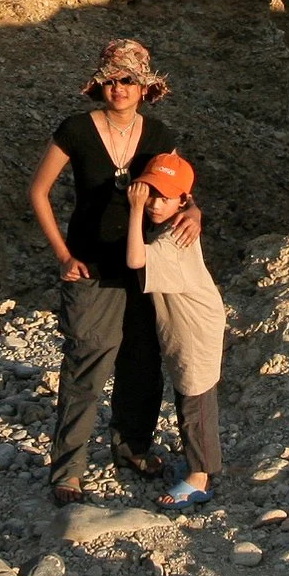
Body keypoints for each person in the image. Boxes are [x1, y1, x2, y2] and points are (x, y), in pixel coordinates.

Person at [27, 39, 202, 505]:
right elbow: (39, 192)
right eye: (110, 79)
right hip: (90, 266)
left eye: (128, 80)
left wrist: (196, 213)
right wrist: (63, 255)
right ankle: (68, 472)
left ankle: (133, 451)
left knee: (142, 363)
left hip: (146, 264)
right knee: (88, 361)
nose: (118, 88)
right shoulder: (76, 130)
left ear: (145, 87)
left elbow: (179, 188)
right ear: (99, 84)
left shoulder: (160, 136)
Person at [125, 152, 224, 510]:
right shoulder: (180, 221)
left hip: (194, 327)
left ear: (181, 200)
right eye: (150, 194)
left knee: (194, 398)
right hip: (193, 321)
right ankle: (200, 463)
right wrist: (190, 206)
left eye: (164, 198)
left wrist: (135, 209)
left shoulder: (175, 238)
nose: (154, 204)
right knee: (192, 395)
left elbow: (136, 259)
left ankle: (200, 478)